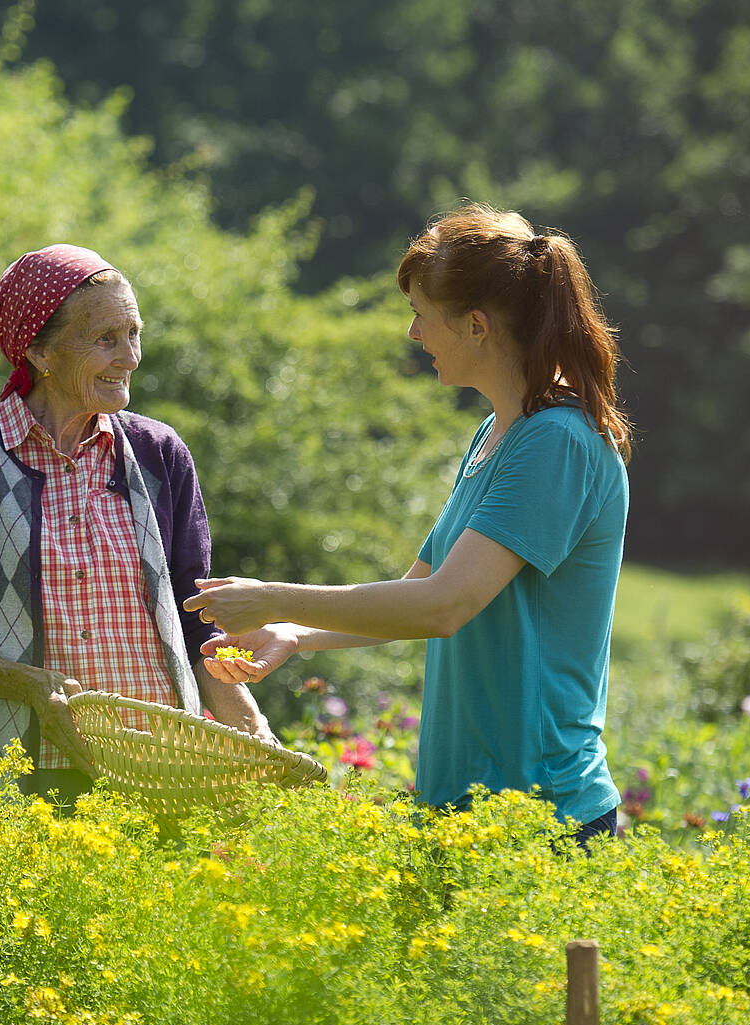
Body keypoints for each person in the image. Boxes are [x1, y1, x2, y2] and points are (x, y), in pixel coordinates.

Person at [185, 205, 631, 847]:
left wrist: (271, 595)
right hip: (467, 806)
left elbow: (443, 607)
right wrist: (294, 633)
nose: (415, 333)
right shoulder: (498, 435)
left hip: (540, 815)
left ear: (476, 327)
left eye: (424, 313)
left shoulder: (556, 442)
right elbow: (414, 589)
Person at [0, 243, 270, 805]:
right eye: (105, 340)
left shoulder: (157, 451)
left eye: (134, 334)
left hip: (167, 769)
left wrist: (248, 725)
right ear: (41, 351)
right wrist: (28, 685)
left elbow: (199, 622)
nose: (131, 358)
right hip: (27, 774)